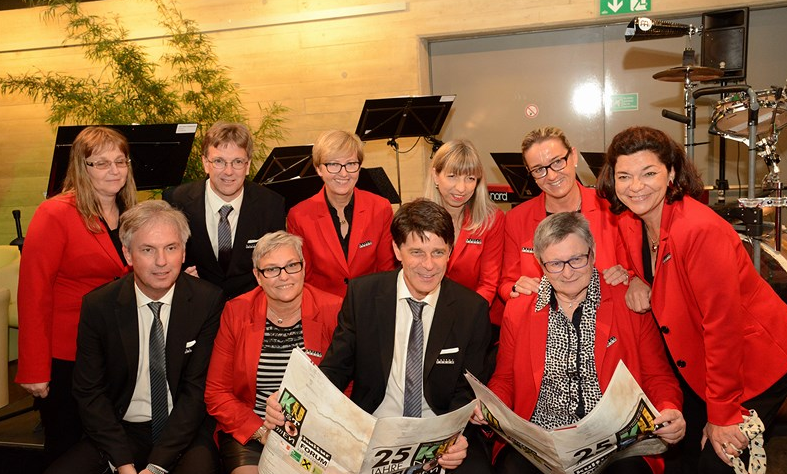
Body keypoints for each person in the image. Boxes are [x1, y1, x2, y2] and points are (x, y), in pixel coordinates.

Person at [596, 126, 787, 473]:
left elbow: (723, 328)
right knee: (683, 459)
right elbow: (641, 262)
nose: (635, 186)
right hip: (696, 363)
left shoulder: (699, 230)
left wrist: (724, 414)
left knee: (718, 464)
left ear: (671, 173)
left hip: (753, 362)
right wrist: (635, 278)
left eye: (648, 173)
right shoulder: (629, 220)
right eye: (624, 176)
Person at [267, 199, 494, 473]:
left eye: (438, 252)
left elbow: (467, 390)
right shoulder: (363, 296)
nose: (429, 265)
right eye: (417, 252)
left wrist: (455, 436)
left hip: (439, 430)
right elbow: (335, 369)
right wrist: (293, 399)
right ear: (397, 250)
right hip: (373, 427)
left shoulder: (472, 309)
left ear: (450, 252)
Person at [478, 212, 685, 474]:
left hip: (616, 442)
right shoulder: (519, 309)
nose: (567, 273)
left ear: (593, 253)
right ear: (540, 263)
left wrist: (670, 409)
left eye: (576, 259)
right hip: (542, 437)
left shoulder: (627, 300)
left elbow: (658, 376)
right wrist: (489, 409)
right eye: (555, 264)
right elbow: (505, 379)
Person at [46, 200, 224, 474]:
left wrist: (155, 467)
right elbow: (89, 391)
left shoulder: (207, 301)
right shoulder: (99, 306)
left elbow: (196, 392)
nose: (162, 261)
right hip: (122, 430)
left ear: (184, 251)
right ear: (128, 255)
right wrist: (123, 463)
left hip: (183, 431)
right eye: (148, 250)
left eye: (171, 248)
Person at [16, 126, 137, 463]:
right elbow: (33, 294)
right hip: (68, 355)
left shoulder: (130, 210)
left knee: (111, 448)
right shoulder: (54, 213)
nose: (114, 170)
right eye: (101, 163)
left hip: (117, 350)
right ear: (81, 168)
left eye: (120, 161)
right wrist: (34, 368)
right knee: (68, 451)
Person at [204, 231, 343, 474]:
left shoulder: (334, 309)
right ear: (257, 276)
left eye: (291, 266)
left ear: (303, 267)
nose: (284, 277)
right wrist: (262, 432)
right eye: (271, 269)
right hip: (251, 429)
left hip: (315, 431)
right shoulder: (236, 311)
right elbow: (217, 392)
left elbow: (348, 384)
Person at [499, 126, 630, 304]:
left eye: (557, 162)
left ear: (573, 156)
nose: (552, 176)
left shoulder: (611, 208)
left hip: (605, 317)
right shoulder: (517, 219)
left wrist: (629, 276)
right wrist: (515, 288)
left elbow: (634, 271)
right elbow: (506, 284)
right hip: (545, 322)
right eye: (539, 169)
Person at [163, 121, 286, 301]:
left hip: (251, 307)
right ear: (206, 163)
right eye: (219, 161)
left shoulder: (271, 204)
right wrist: (180, 275)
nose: (229, 172)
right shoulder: (177, 201)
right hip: (194, 304)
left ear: (248, 165)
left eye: (237, 162)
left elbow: (277, 264)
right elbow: (165, 257)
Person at [286, 130, 396, 298]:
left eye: (351, 164)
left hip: (372, 304)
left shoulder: (381, 208)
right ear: (318, 169)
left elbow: (386, 272)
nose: (344, 173)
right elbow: (304, 278)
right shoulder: (298, 216)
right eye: (333, 164)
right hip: (323, 310)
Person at [424, 139, 506, 325]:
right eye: (452, 176)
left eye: (470, 178)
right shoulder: (418, 217)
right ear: (436, 176)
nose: (461, 188)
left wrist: (462, 318)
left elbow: (488, 283)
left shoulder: (492, 219)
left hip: (475, 315)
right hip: (430, 315)